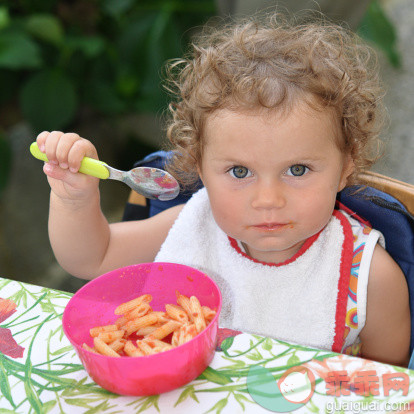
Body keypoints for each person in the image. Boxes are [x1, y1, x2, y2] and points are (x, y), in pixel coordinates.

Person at [36, 13, 410, 366]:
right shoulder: (193, 224)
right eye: (239, 171)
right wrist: (75, 199)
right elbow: (90, 259)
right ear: (199, 167)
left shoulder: (369, 278)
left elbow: (391, 390)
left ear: (346, 166)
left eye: (297, 170)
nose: (267, 200)